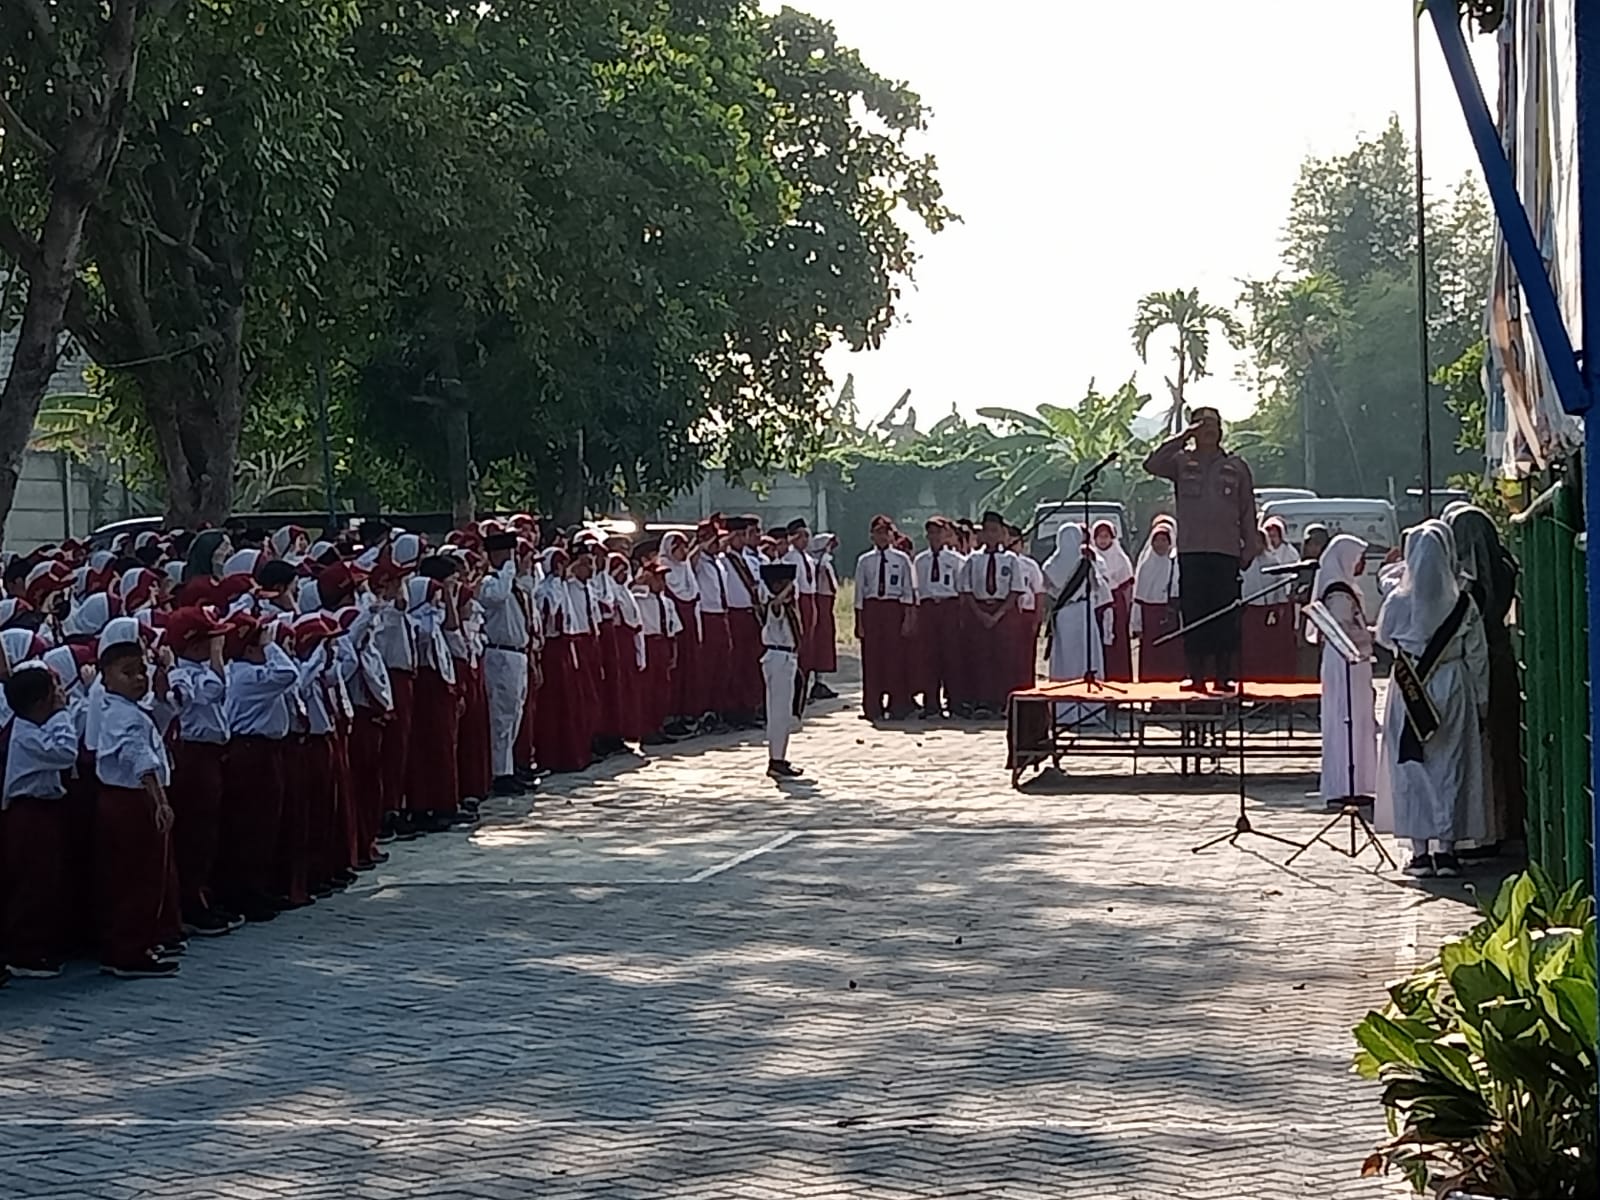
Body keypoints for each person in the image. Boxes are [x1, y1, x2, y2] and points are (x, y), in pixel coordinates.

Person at [1374, 522, 1490, 879]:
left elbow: (1383, 636)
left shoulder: (1397, 600)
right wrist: (1481, 703)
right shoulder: (1463, 602)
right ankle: (1448, 850)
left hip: (1409, 687)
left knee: (1412, 766)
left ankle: (1419, 851)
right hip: (1452, 684)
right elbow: (1478, 656)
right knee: (1450, 766)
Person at [1142, 407, 1259, 689]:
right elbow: (1152, 464)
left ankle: (1222, 676)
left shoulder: (1236, 465)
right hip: (1192, 551)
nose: (1210, 430)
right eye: (1203, 425)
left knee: (1224, 613)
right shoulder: (1182, 462)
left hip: (1226, 550)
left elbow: (1247, 509)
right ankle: (1195, 676)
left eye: (1215, 425)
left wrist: (1250, 545)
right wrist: (1183, 436)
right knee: (1194, 612)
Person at [93, 640, 179, 978]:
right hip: (130, 800)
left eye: (141, 670)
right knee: (138, 875)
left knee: (137, 873)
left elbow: (154, 731)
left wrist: (159, 694)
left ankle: (137, 941)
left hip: (128, 798)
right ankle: (128, 950)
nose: (138, 678)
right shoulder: (120, 714)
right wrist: (159, 800)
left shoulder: (128, 709)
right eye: (127, 673)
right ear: (105, 678)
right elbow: (138, 756)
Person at [1445, 502, 1522, 849]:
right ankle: (1505, 822)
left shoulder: (1462, 585)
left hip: (1479, 660)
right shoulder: (1505, 565)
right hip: (1500, 654)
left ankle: (1488, 828)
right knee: (1501, 742)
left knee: (1485, 742)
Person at [163, 605, 240, 936]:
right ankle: (191, 903)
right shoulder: (183, 673)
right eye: (210, 638)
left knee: (209, 832)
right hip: (192, 757)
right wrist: (218, 655)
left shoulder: (198, 670)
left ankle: (201, 895)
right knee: (196, 833)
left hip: (211, 754)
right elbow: (213, 690)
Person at [2, 662, 82, 978]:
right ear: (39, 703)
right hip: (29, 813)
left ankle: (39, 944)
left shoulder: (34, 728)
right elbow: (65, 752)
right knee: (31, 883)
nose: (60, 696)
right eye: (54, 693)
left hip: (44, 810)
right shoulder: (26, 734)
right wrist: (62, 713)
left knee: (46, 880)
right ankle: (25, 952)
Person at [1308, 535, 1377, 809]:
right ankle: (1345, 784)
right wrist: (1370, 635)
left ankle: (1359, 782)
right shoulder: (1337, 592)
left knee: (1358, 719)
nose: (1361, 565)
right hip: (1344, 661)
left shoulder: (1346, 587)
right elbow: (1342, 629)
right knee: (1345, 717)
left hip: (1353, 662)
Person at [1041, 522, 1112, 727]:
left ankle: (1063, 711)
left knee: (1066, 659)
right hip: (1082, 611)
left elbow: (1047, 589)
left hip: (1063, 614)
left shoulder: (1049, 565)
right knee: (1084, 657)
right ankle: (1089, 709)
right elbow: (1099, 587)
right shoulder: (1086, 563)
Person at [478, 531, 532, 795]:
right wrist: (507, 568)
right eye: (508, 553)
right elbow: (496, 598)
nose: (513, 558)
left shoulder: (514, 583)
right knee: (501, 716)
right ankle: (499, 772)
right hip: (499, 653)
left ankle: (508, 767)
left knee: (515, 714)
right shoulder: (490, 582)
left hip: (518, 653)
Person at [959, 511, 1024, 716]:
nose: (991, 535)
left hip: (1004, 611)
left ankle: (1004, 701)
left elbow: (1015, 590)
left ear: (1003, 533)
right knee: (980, 656)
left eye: (995, 531)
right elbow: (966, 589)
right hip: (980, 610)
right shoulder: (973, 559)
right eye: (987, 531)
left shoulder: (1011, 560)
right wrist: (980, 613)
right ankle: (983, 701)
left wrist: (998, 614)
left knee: (1005, 657)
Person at [853, 515, 916, 721]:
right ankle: (872, 706)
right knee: (872, 660)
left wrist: (907, 619)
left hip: (893, 609)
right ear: (871, 536)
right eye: (878, 532)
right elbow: (859, 593)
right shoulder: (865, 560)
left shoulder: (901, 559)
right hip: (872, 610)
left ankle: (898, 704)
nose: (882, 537)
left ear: (892, 535)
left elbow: (908, 591)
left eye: (886, 532)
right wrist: (859, 622)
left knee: (895, 659)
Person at [757, 563, 805, 779]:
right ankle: (775, 759)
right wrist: (785, 590)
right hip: (778, 657)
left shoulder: (788, 608)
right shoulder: (773, 606)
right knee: (778, 713)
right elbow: (775, 604)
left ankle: (781, 756)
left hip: (786, 657)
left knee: (783, 713)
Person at [1240, 516, 1301, 682]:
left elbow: (1280, 586)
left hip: (1268, 610)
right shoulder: (1243, 562)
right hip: (1249, 610)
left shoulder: (1272, 561)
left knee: (1267, 647)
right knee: (1250, 649)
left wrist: (1278, 608)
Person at [913, 517, 962, 718]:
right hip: (928, 607)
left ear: (946, 535)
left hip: (949, 605)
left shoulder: (956, 560)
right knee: (928, 656)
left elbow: (961, 587)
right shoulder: (920, 560)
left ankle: (954, 701)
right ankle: (931, 703)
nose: (935, 537)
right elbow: (916, 588)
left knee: (951, 656)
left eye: (939, 532)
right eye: (931, 533)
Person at [1130, 519, 1183, 681]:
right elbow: (1138, 599)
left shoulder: (1177, 563)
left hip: (1171, 618)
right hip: (1150, 619)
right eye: (1157, 540)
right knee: (1152, 659)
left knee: (1171, 659)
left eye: (1164, 540)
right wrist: (1136, 624)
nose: (1160, 544)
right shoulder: (1146, 565)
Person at [1090, 521, 1135, 682]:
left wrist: (1128, 609)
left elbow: (1127, 585)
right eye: (1099, 537)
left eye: (1106, 536)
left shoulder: (1120, 558)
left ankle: (1120, 678)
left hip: (1116, 605)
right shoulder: (1090, 557)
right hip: (1097, 604)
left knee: (1117, 642)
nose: (1102, 540)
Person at [1008, 524, 1048, 692]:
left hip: (1026, 613)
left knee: (1025, 656)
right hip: (1008, 614)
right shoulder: (1003, 561)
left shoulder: (1030, 565)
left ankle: (1027, 690)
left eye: (1015, 542)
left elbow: (1039, 592)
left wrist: (1037, 619)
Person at [809, 532, 841, 700]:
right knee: (818, 641)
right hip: (819, 602)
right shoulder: (817, 564)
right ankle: (815, 680)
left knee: (825, 641)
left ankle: (820, 679)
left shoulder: (825, 563)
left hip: (827, 603)